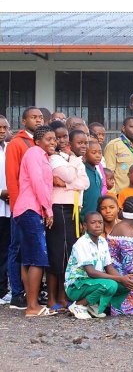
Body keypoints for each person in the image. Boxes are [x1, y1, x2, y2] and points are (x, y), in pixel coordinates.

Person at [46, 129, 90, 311]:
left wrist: (66, 184)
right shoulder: (55, 159)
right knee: (57, 253)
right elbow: (73, 177)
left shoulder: (75, 160)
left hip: (72, 210)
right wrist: (73, 167)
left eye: (64, 137)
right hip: (59, 208)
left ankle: (63, 297)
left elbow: (84, 183)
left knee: (68, 254)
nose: (62, 141)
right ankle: (52, 298)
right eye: (59, 137)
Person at [15, 125, 57, 317]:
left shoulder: (43, 156)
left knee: (28, 259)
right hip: (31, 209)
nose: (53, 142)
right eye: (48, 139)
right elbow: (37, 181)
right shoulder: (34, 152)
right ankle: (33, 307)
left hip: (29, 210)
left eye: (54, 139)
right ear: (38, 141)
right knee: (38, 259)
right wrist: (48, 209)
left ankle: (30, 304)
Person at [65, 212, 133, 320]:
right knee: (111, 285)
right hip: (77, 286)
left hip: (93, 283)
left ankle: (93, 305)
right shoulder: (83, 243)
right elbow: (91, 272)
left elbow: (109, 267)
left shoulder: (103, 242)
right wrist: (119, 278)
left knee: (125, 285)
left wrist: (123, 280)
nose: (98, 225)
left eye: (100, 222)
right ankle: (79, 305)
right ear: (85, 226)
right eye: (93, 223)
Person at [6, 107, 42, 309]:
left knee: (31, 250)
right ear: (23, 121)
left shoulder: (40, 142)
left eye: (40, 117)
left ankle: (32, 292)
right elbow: (12, 177)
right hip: (21, 207)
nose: (38, 120)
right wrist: (16, 206)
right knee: (17, 248)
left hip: (36, 208)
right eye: (33, 117)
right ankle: (17, 293)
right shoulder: (17, 143)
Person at [105, 116, 133, 194]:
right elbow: (108, 174)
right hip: (119, 195)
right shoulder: (114, 145)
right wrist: (113, 196)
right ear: (123, 128)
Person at [0, 117, 10, 304]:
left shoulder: (9, 148)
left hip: (9, 208)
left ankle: (2, 290)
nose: (2, 130)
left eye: (5, 127)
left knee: (4, 251)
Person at [81, 142, 103, 223]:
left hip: (95, 219)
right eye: (94, 153)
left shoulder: (97, 172)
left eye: (100, 153)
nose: (98, 155)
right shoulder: (82, 170)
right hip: (84, 218)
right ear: (85, 154)